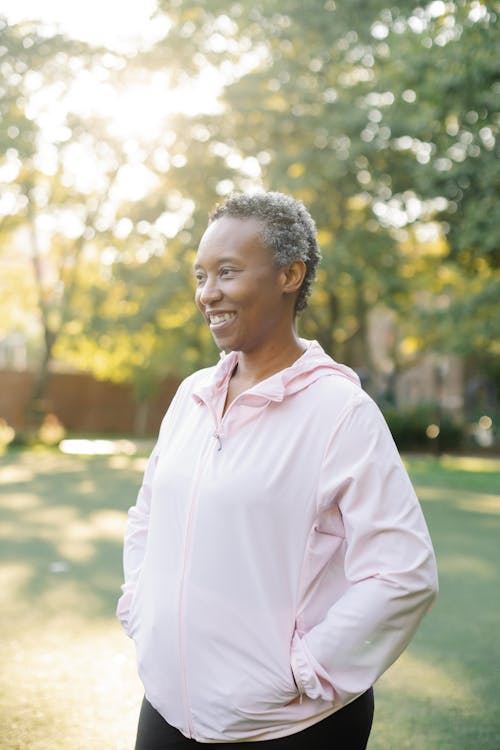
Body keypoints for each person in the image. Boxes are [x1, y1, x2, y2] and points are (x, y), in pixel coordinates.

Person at [117, 191, 438, 750]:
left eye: (227, 272)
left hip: (288, 726)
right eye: (200, 275)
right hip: (167, 708)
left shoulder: (341, 412)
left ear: (290, 274)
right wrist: (141, 612)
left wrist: (300, 674)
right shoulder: (191, 395)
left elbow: (402, 573)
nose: (207, 293)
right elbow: (148, 519)